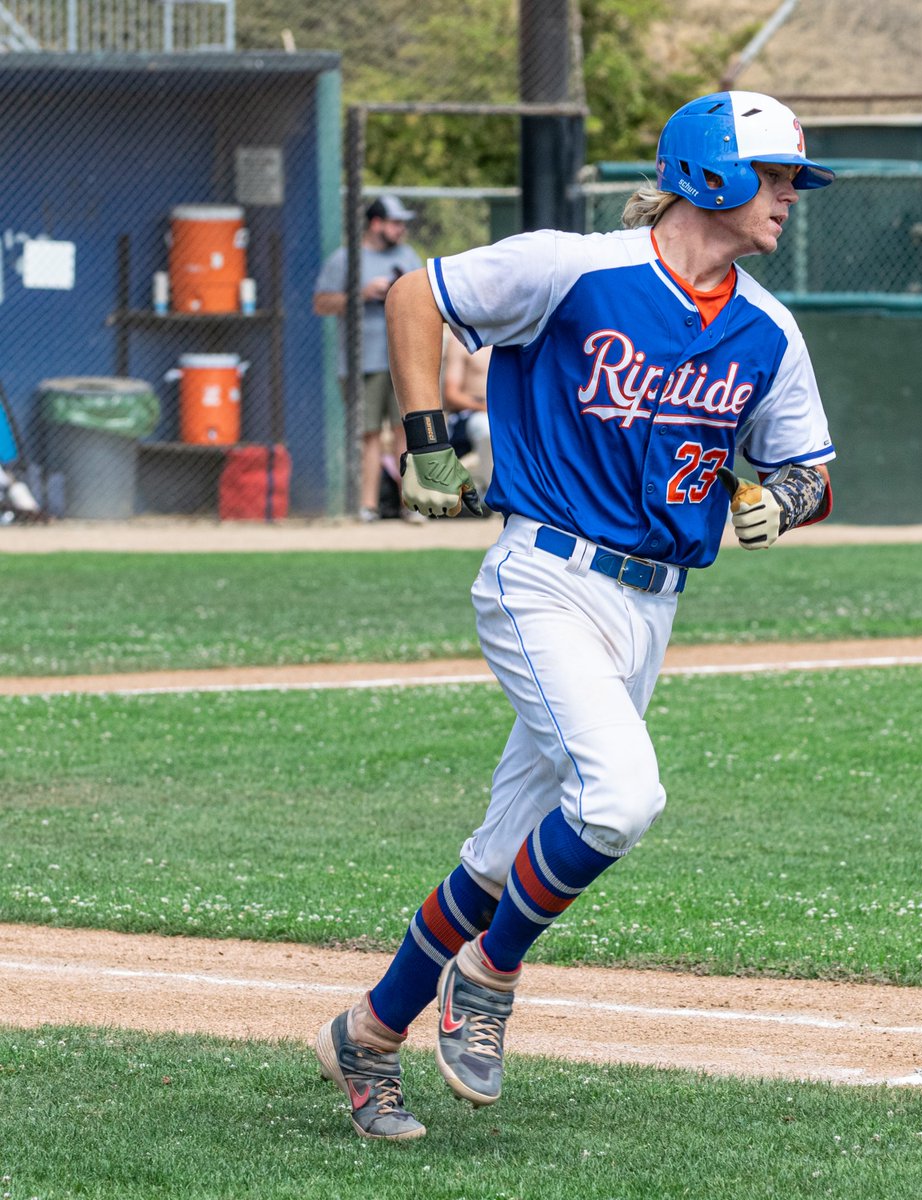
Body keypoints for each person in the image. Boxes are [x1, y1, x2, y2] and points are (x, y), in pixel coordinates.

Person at [314, 90, 837, 1141]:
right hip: (542, 575)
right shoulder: (576, 267)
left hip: (651, 609)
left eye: (790, 179)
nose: (789, 197)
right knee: (624, 798)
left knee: (502, 858)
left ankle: (367, 1037)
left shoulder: (768, 330)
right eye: (775, 175)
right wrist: (425, 448)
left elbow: (811, 469)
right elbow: (416, 296)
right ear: (711, 175)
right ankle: (490, 975)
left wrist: (777, 500)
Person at [312, 194, 426, 523]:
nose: (401, 229)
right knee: (369, 434)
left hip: (403, 358)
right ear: (376, 224)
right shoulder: (346, 259)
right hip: (362, 361)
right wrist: (361, 294)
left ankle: (412, 505)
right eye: (395, 222)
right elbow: (321, 304)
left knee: (406, 430)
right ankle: (367, 506)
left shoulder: (408, 256)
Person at [440, 331, 493, 501]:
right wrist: (484, 407)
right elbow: (451, 394)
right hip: (472, 413)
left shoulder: (514, 334)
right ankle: (493, 495)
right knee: (487, 428)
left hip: (504, 411)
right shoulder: (460, 342)